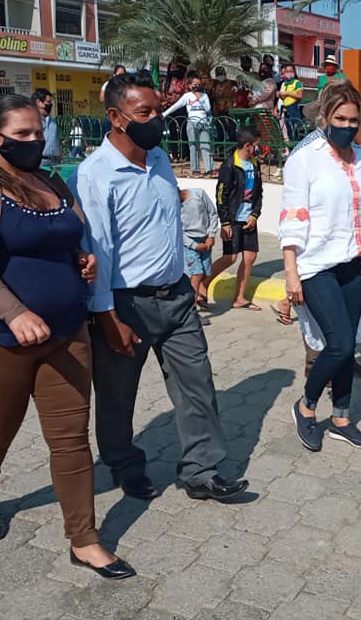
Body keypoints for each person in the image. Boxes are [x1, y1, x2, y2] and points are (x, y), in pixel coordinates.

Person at [0, 94, 134, 579]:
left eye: (38, 131)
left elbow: (66, 238)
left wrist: (82, 259)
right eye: (23, 134)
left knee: (71, 440)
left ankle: (85, 540)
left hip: (66, 334)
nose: (35, 140)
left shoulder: (51, 181)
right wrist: (14, 312)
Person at [69, 73, 248, 503]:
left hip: (178, 296)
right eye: (144, 112)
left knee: (197, 384)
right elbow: (97, 250)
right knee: (117, 395)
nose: (156, 120)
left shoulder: (160, 159)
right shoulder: (93, 176)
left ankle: (201, 471)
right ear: (116, 117)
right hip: (124, 303)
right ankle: (123, 464)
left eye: (157, 110)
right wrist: (107, 316)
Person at [280, 82, 361, 452]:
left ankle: (341, 419)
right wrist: (291, 274)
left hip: (355, 264)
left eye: (354, 120)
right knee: (337, 345)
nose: (347, 126)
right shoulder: (304, 159)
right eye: (340, 119)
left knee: (348, 345)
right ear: (325, 117)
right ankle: (306, 407)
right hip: (316, 266)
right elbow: (292, 218)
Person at [204, 128, 263, 310]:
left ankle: (239, 298)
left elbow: (258, 192)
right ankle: (203, 285)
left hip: (249, 218)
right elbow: (221, 195)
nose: (258, 150)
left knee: (250, 257)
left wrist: (255, 214)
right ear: (248, 146)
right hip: (233, 219)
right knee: (230, 257)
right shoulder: (229, 166)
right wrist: (225, 222)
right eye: (257, 146)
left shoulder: (255, 164)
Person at [180, 185, 219, 325]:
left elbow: (212, 213)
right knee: (196, 274)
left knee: (205, 273)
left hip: (205, 239)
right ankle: (192, 313)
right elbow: (177, 231)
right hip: (188, 244)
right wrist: (194, 245)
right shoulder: (172, 208)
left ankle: (194, 297)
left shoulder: (198, 194)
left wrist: (211, 235)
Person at [163, 72, 214, 177]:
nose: (197, 86)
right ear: (190, 85)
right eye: (194, 84)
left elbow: (208, 108)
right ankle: (195, 169)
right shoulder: (187, 96)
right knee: (193, 146)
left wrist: (200, 97)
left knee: (205, 145)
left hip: (203, 122)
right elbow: (176, 106)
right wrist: (164, 114)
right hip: (192, 122)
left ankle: (209, 168)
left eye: (198, 84)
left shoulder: (204, 96)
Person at [278, 63, 305, 135]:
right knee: (288, 128)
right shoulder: (285, 84)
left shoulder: (297, 82)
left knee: (295, 128)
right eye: (287, 71)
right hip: (285, 108)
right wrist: (280, 95)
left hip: (293, 107)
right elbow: (284, 99)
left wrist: (287, 93)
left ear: (294, 72)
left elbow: (299, 96)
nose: (289, 73)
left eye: (291, 71)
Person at [33, 88, 59, 163]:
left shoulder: (52, 121)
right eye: (48, 102)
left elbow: (56, 139)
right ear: (39, 102)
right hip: (39, 161)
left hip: (54, 161)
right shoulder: (32, 121)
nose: (50, 105)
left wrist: (59, 154)